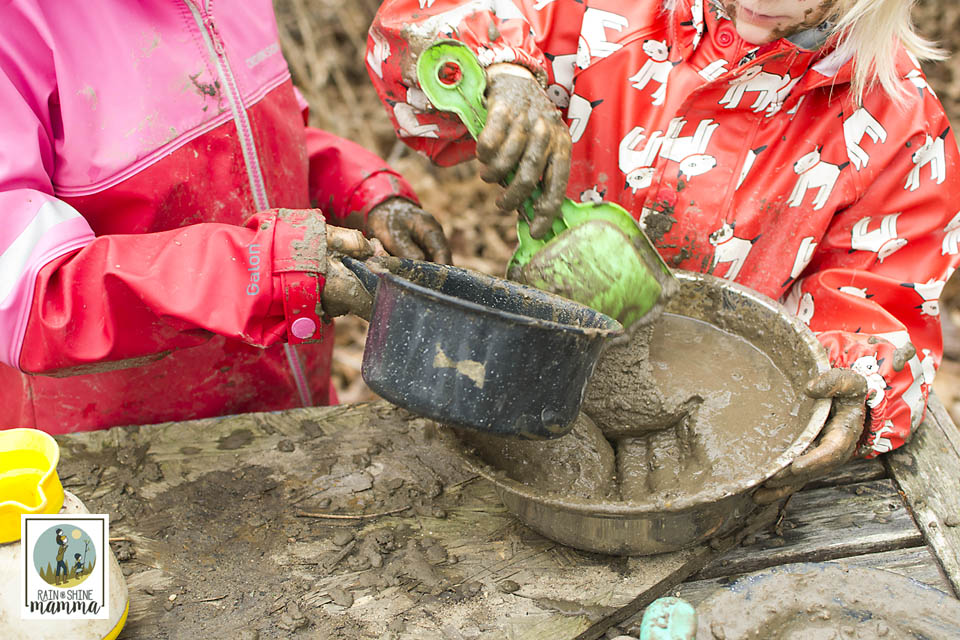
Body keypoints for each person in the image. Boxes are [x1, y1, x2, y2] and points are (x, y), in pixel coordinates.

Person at [367, 0, 960, 497]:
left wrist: (860, 390)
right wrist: (505, 72)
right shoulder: (604, 15)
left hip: (720, 415)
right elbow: (419, 35)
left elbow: (881, 308)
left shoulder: (895, 126)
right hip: (546, 366)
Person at [0, 0, 450, 434]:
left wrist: (362, 191)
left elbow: (257, 146)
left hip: (289, 411)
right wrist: (259, 273)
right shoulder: (18, 23)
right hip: (115, 456)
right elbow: (31, 292)